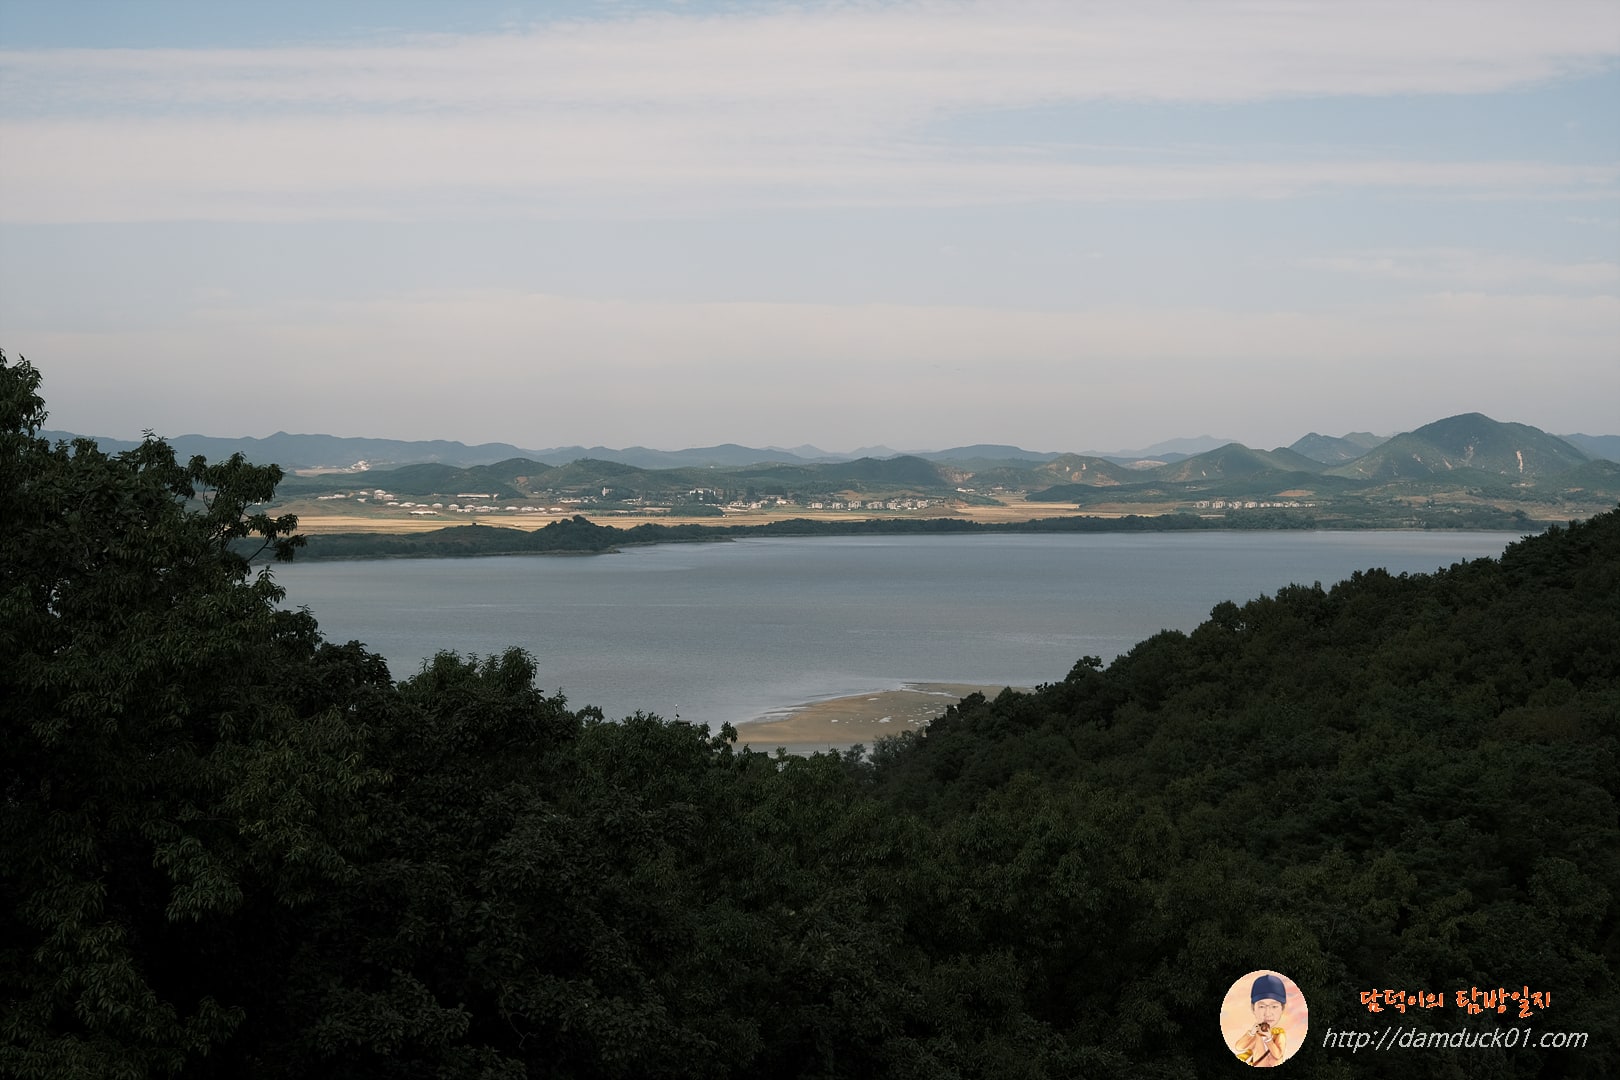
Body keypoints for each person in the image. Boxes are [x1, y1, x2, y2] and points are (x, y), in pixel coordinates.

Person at [1233, 973, 1288, 1067]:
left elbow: (1278, 1055)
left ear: (1282, 1009)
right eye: (1262, 1006)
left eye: (1274, 1006)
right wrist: (1251, 1033)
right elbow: (1239, 1047)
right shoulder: (1256, 1034)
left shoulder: (1279, 1035)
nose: (1267, 1013)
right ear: (1253, 1008)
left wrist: (1269, 1039)